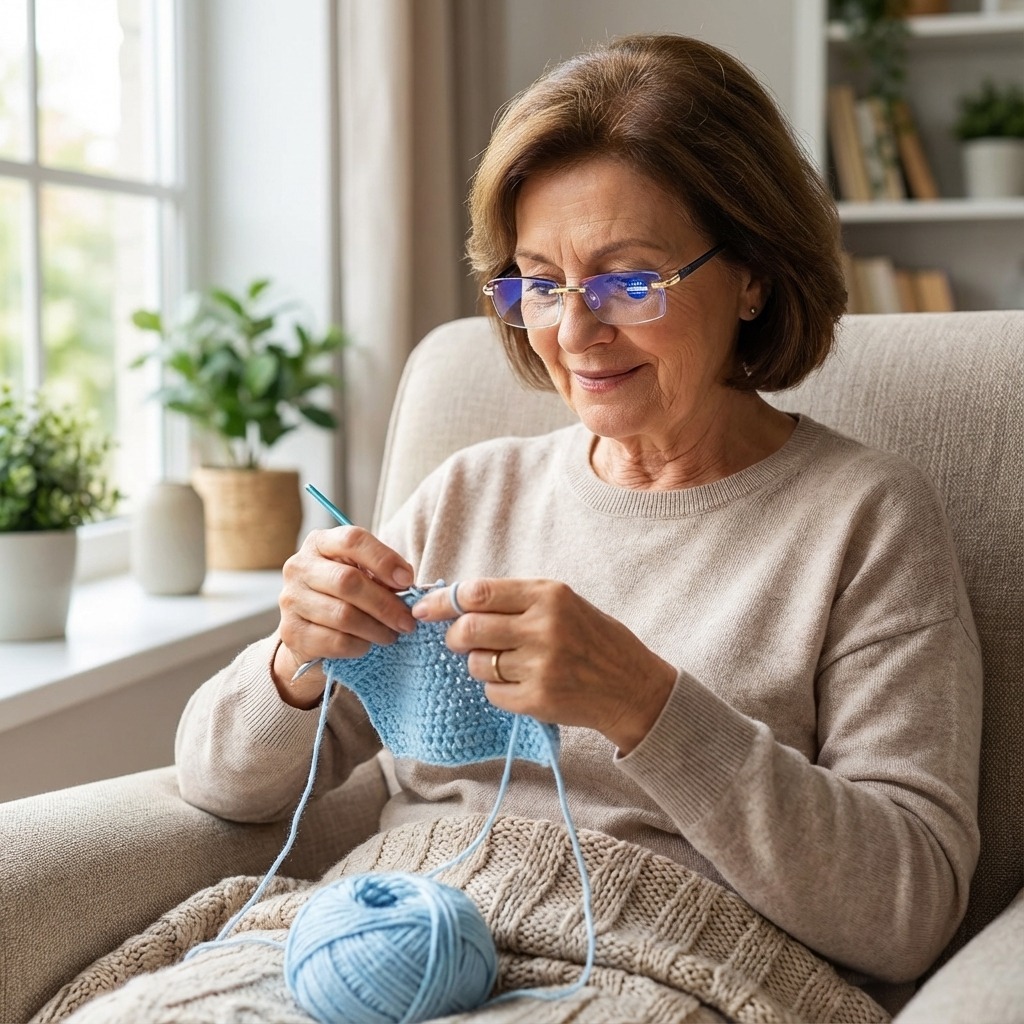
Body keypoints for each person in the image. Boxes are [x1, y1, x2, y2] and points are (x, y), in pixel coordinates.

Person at [53, 33, 982, 1024]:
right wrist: (295, 660)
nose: (573, 332)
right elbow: (220, 781)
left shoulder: (863, 519)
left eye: (627, 279)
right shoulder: (469, 493)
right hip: (383, 937)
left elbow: (904, 905)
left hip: (667, 966)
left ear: (750, 274)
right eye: (538, 280)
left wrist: (644, 702)